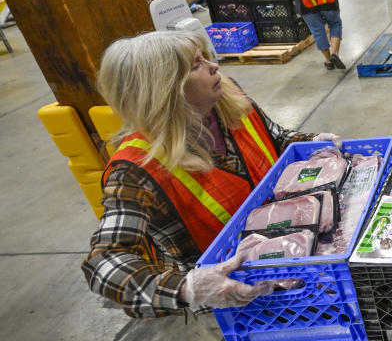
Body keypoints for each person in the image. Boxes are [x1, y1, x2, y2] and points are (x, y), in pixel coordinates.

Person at [82, 30, 341, 317]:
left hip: (294, 254)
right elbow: (103, 264)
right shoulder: (136, 169)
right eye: (196, 65)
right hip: (235, 304)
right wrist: (187, 289)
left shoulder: (226, 96)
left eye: (204, 57)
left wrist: (312, 141)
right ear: (165, 91)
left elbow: (276, 138)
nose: (213, 66)